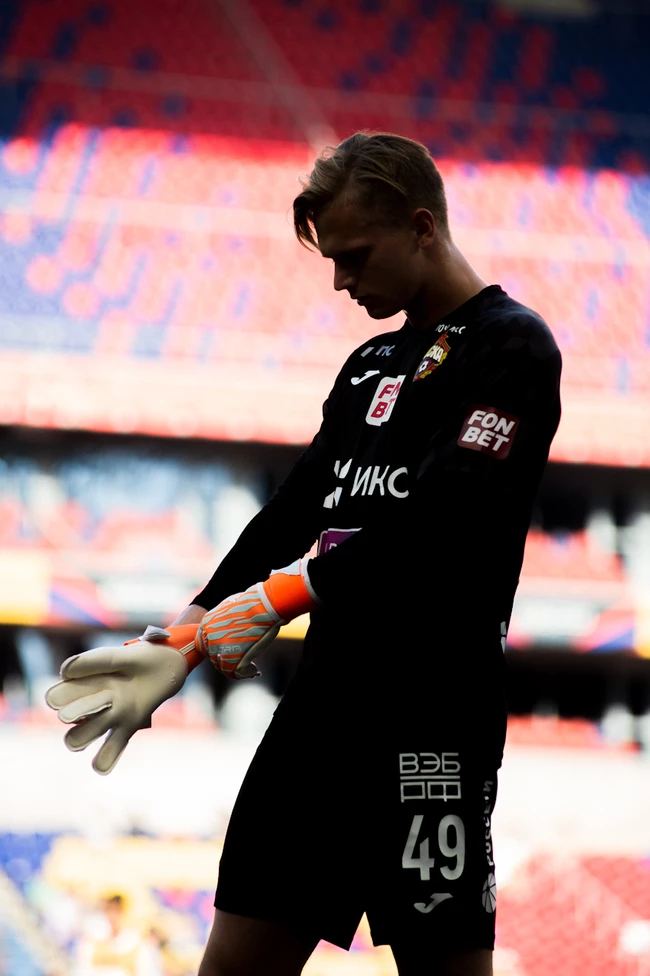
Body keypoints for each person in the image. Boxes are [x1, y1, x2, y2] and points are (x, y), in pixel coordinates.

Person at [46, 132, 562, 976]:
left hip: (434, 720)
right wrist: (186, 632)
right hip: (321, 718)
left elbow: (448, 520)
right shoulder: (369, 364)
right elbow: (294, 508)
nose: (340, 281)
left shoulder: (511, 347)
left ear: (422, 228)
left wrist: (287, 593)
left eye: (355, 256)